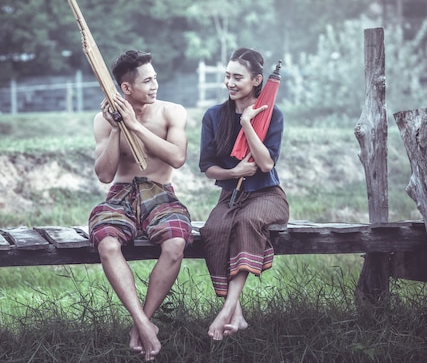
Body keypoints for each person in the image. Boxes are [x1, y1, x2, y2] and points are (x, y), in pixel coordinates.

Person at [88, 49, 193, 361]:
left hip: (160, 193)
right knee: (107, 243)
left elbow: (177, 157)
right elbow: (105, 174)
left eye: (155, 78)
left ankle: (141, 323)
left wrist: (135, 126)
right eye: (148, 81)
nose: (155, 84)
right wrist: (119, 127)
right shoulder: (102, 120)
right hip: (120, 194)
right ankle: (144, 323)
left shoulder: (172, 112)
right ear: (126, 89)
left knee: (175, 242)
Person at [198, 47, 289, 340]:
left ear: (257, 80)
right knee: (213, 228)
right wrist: (233, 173)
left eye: (238, 77)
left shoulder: (273, 116)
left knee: (246, 222)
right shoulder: (213, 116)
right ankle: (236, 315)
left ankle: (226, 311)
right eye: (227, 76)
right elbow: (208, 167)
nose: (230, 83)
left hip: (267, 196)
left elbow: (265, 163)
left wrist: (247, 123)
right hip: (231, 197)